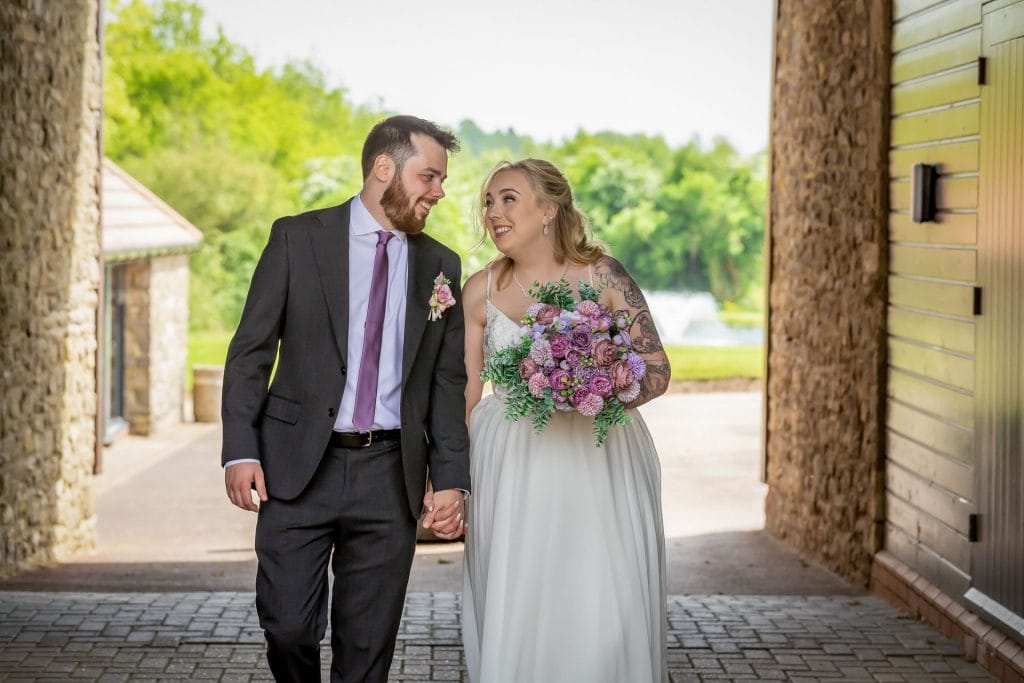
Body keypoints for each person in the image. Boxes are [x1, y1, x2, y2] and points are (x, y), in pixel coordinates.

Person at [220, 115, 471, 682]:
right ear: (384, 168)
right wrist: (240, 449)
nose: (439, 191)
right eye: (428, 176)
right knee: (288, 627)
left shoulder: (441, 265)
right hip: (296, 469)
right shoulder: (297, 238)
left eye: (441, 180)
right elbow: (250, 353)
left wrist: (451, 478)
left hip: (390, 475)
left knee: (367, 649)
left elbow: (445, 384)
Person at [457, 159, 670, 682]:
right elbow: (467, 390)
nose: (494, 212)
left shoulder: (604, 275)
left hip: (599, 460)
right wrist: (452, 481)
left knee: (605, 600)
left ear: (549, 210)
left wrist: (591, 387)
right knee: (521, 596)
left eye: (508, 199)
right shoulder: (480, 290)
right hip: (510, 465)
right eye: (489, 202)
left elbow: (657, 370)